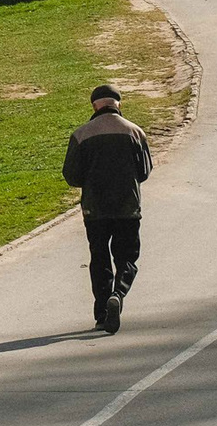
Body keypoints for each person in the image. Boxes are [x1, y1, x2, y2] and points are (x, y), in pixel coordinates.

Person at [62, 83, 151, 333]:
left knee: (99, 258)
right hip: (127, 207)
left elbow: (71, 175)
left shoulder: (81, 135)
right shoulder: (135, 132)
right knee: (127, 257)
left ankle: (102, 313)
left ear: (94, 105)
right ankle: (118, 294)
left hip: (95, 209)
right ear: (118, 104)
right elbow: (144, 172)